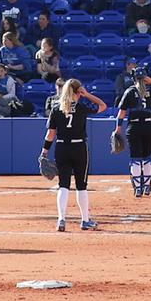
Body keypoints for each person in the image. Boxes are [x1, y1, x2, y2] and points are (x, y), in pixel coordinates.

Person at [44, 77, 108, 231]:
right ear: (79, 91)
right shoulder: (82, 107)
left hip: (61, 148)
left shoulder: (56, 108)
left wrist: (44, 151)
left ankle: (61, 219)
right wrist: (87, 94)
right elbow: (103, 106)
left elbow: (50, 134)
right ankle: (85, 220)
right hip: (79, 147)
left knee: (63, 185)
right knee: (81, 186)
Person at [116, 65, 151, 198]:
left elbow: (121, 113)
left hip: (134, 126)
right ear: (146, 77)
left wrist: (117, 129)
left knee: (135, 159)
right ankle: (147, 188)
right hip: (149, 126)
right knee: (147, 157)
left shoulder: (129, 91)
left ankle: (138, 189)